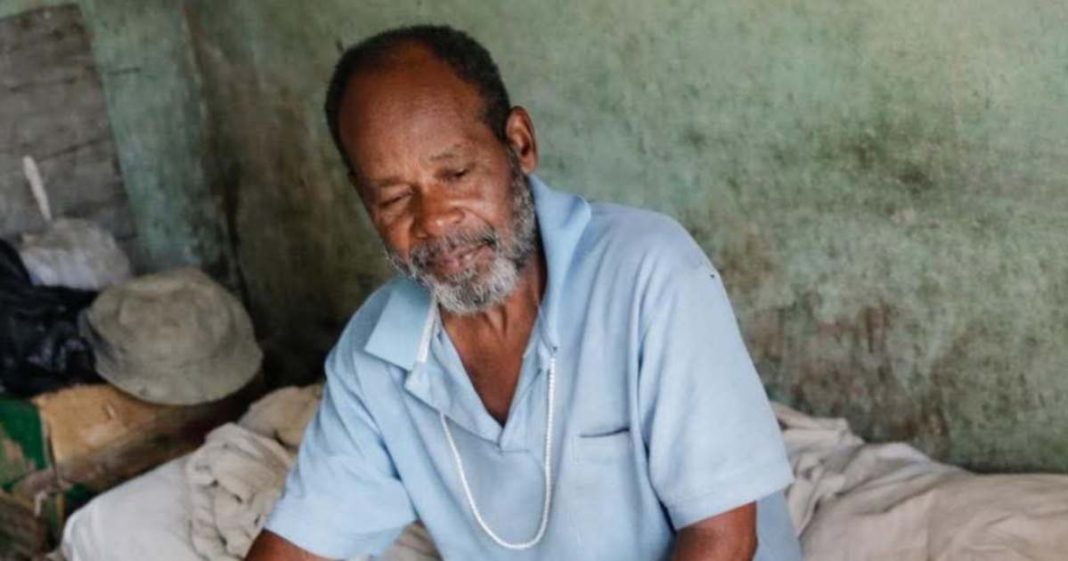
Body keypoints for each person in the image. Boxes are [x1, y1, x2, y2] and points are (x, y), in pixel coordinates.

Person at [246, 25, 801, 561]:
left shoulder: (650, 273)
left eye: (456, 174)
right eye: (392, 198)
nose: (433, 220)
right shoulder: (375, 352)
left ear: (520, 143)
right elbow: (304, 542)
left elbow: (724, 541)